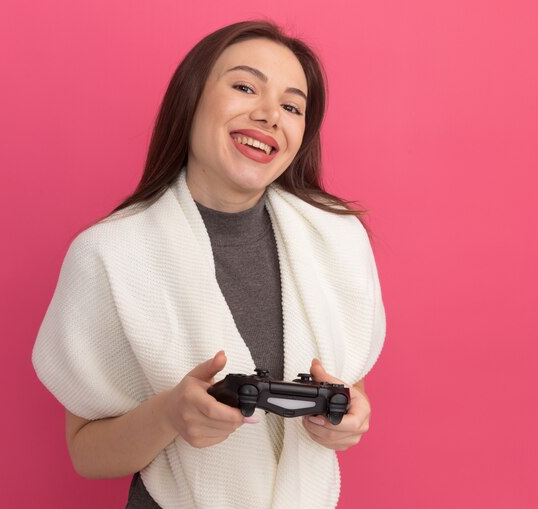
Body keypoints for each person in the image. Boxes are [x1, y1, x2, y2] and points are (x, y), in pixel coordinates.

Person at [32, 20, 385, 509]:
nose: (269, 115)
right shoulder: (110, 255)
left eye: (290, 106)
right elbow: (84, 452)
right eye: (244, 87)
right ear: (191, 98)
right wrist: (169, 417)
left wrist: (349, 421)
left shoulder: (338, 241)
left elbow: (351, 390)